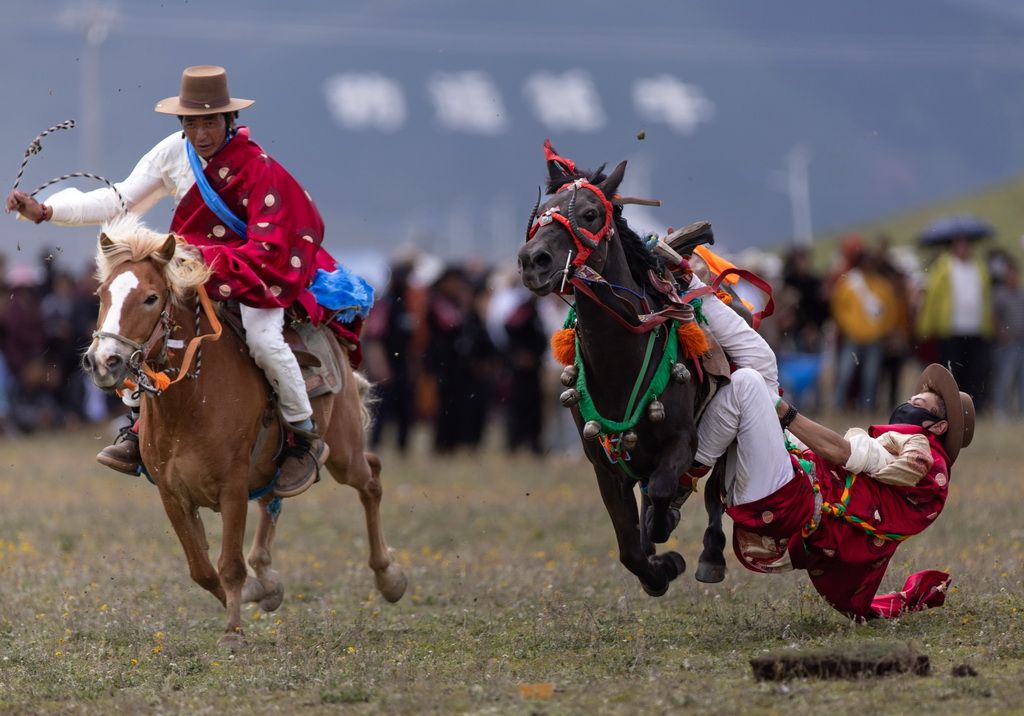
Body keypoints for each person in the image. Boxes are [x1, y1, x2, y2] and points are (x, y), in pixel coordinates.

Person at [5, 65, 337, 498]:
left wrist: (205, 257)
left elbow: (267, 246)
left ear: (229, 121)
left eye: (210, 122)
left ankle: (303, 436)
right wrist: (47, 211)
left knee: (263, 341)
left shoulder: (258, 169)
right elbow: (119, 199)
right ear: (182, 123)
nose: (201, 133)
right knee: (144, 331)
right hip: (190, 272)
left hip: (255, 275)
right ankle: (137, 426)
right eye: (192, 123)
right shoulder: (171, 154)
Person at [689, 362, 973, 620]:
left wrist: (782, 409)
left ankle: (686, 475)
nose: (908, 403)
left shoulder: (918, 452)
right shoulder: (904, 457)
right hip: (781, 498)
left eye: (918, 403)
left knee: (748, 382)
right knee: (745, 380)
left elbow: (839, 452)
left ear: (938, 426)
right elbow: (820, 458)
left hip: (786, 504)